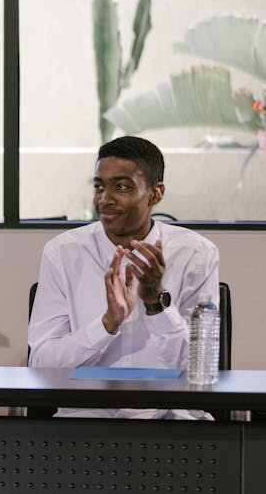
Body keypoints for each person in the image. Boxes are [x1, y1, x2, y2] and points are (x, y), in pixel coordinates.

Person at [28, 135, 219, 419]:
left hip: (169, 420)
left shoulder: (196, 254)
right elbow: (41, 363)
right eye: (99, 186)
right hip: (85, 420)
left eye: (121, 187)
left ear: (156, 193)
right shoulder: (63, 253)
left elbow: (199, 369)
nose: (105, 199)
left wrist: (156, 303)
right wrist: (106, 324)